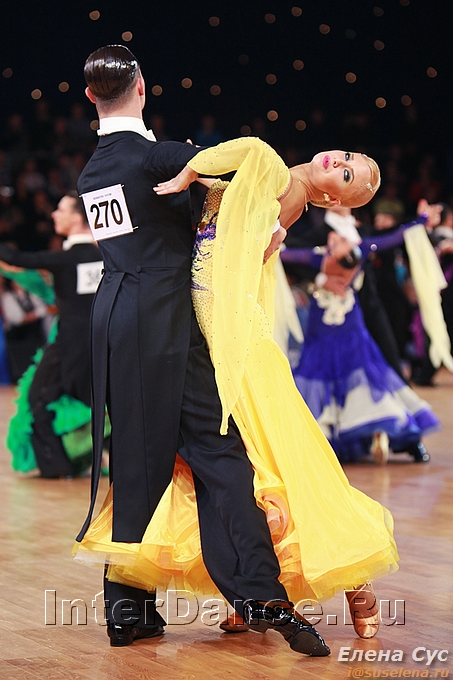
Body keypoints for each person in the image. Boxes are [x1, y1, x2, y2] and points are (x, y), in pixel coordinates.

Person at [75, 96, 397, 643]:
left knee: (264, 463)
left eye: (347, 176)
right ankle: (262, 590)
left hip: (231, 342)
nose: (337, 163)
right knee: (252, 465)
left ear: (332, 198)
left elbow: (248, 151)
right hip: (213, 332)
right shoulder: (282, 196)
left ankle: (336, 580)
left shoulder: (279, 178)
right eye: (345, 157)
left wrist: (189, 174)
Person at [282, 220, 443, 465]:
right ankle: (373, 429)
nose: (335, 237)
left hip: (324, 328)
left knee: (324, 375)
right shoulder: (359, 250)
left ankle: (333, 433)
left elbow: (287, 255)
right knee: (364, 374)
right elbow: (392, 237)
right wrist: (418, 221)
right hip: (348, 325)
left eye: (340, 240)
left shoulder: (320, 258)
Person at [0, 192, 103, 477]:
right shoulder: (107, 256)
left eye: (61, 209)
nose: (54, 215)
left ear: (77, 217)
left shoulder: (64, 259)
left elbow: (15, 257)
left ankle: (58, 466)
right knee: (100, 405)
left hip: (67, 346)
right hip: (103, 345)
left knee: (39, 400)